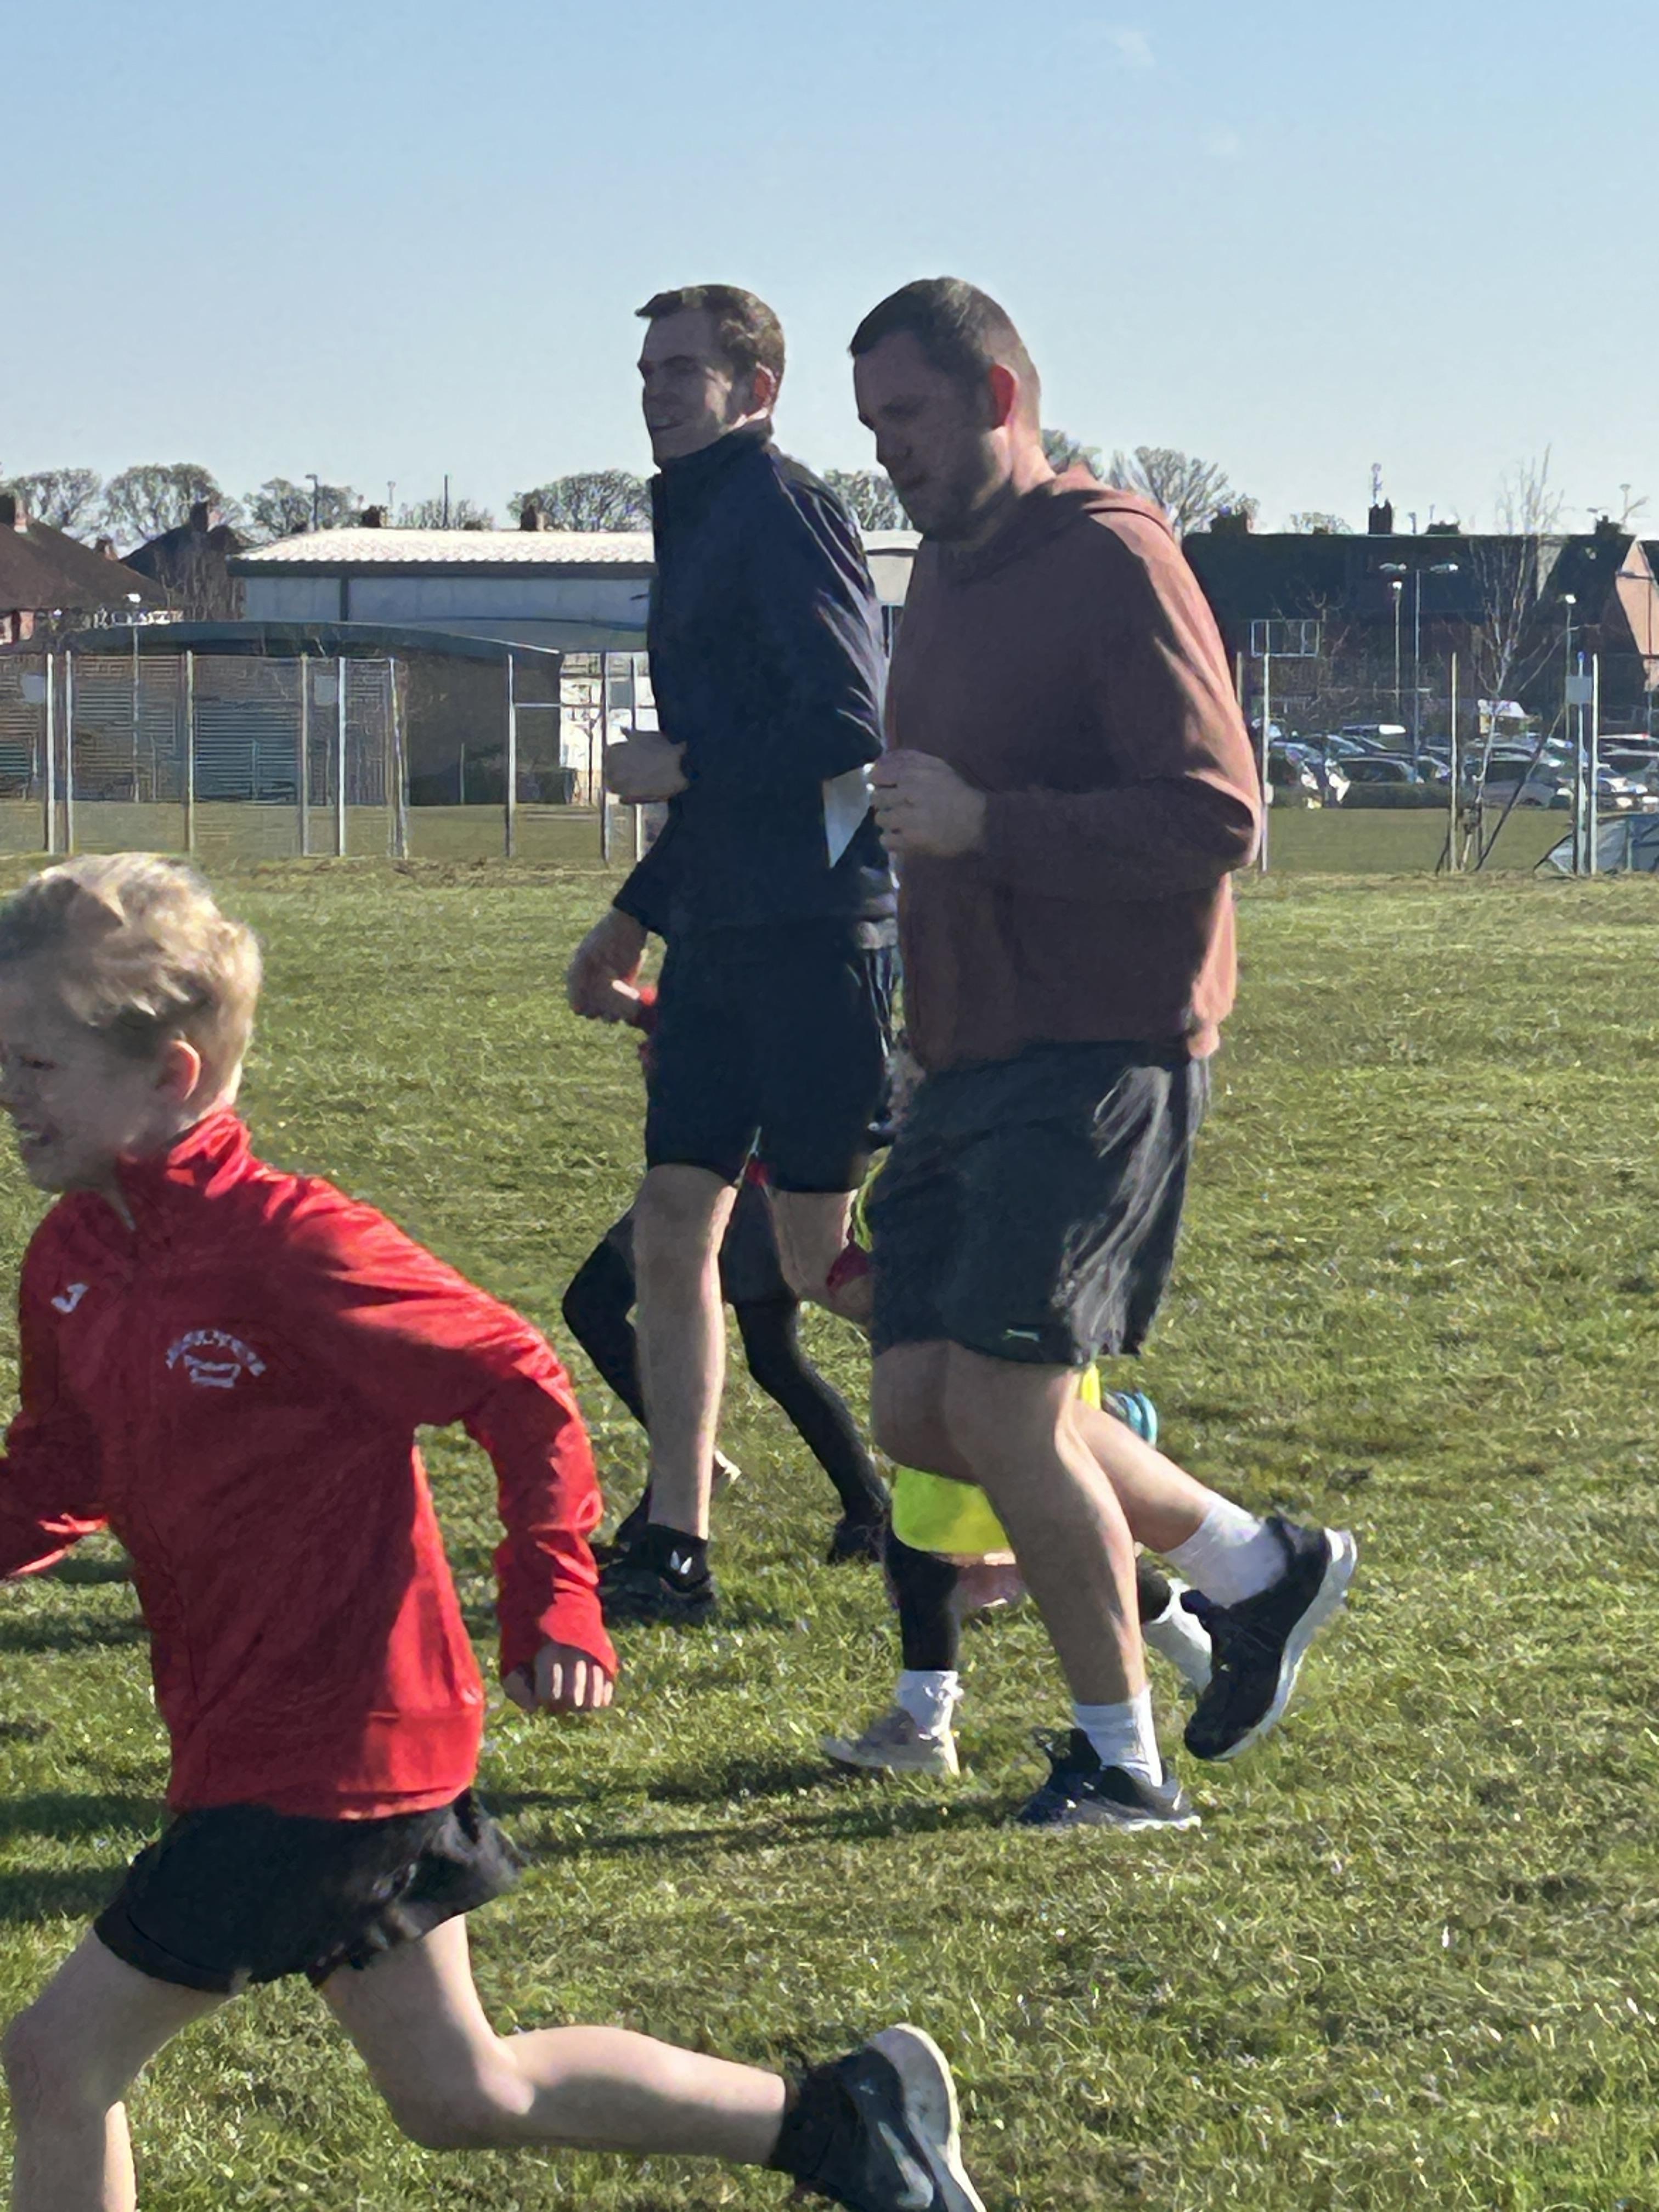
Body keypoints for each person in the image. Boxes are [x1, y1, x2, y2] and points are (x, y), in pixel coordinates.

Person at [0, 856, 983, 2212]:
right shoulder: (73, 1257)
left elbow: (520, 1382)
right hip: (248, 1731)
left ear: (170, 1077)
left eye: (36, 1064)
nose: (10, 1094)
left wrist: (553, 1592)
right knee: (462, 2091)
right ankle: (845, 2123)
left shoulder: (291, 1249)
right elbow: (58, 1469)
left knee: (59, 2061)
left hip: (332, 1751)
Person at [848, 278, 1357, 1833]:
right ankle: (1253, 1567)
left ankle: (1121, 1766)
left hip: (1098, 1048)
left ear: (1000, 397)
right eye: (871, 427)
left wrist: (987, 826)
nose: (889, 453)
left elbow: (1218, 817)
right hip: (968, 1053)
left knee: (1008, 1414)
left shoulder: (1112, 555)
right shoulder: (946, 571)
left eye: (909, 417)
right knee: (923, 1409)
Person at [566, 282, 894, 1627]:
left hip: (816, 941)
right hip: (718, 939)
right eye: (648, 370)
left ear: (757, 391)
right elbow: (713, 788)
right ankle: (676, 1545)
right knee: (670, 1231)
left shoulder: (783, 509)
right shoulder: (693, 515)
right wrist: (636, 911)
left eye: (683, 371)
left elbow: (849, 725)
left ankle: (1037, 1386)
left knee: (817, 1261)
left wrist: (684, 762)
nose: (656, 391)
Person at [562, 991, 890, 1571]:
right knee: (774, 1356)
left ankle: (695, 1473)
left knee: (595, 1305)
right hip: (744, 1174)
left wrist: (651, 1023)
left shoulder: (768, 973)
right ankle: (867, 1508)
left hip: (737, 1180)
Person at [824, 1374, 1215, 1779]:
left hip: (998, 1386)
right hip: (980, 1398)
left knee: (1067, 1551)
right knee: (938, 1549)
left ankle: (1203, 1659)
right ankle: (922, 1723)